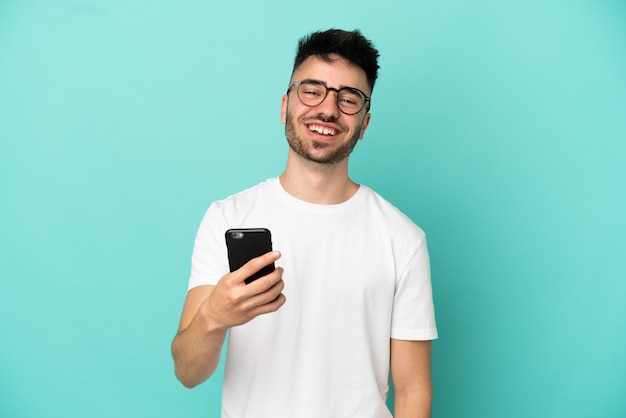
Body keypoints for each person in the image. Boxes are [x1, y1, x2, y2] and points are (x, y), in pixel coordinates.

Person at [171, 28, 438, 418]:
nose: (328, 109)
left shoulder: (403, 238)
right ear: (285, 106)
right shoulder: (227, 218)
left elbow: (414, 391)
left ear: (364, 124)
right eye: (312, 91)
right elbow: (187, 372)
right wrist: (214, 316)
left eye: (349, 99)